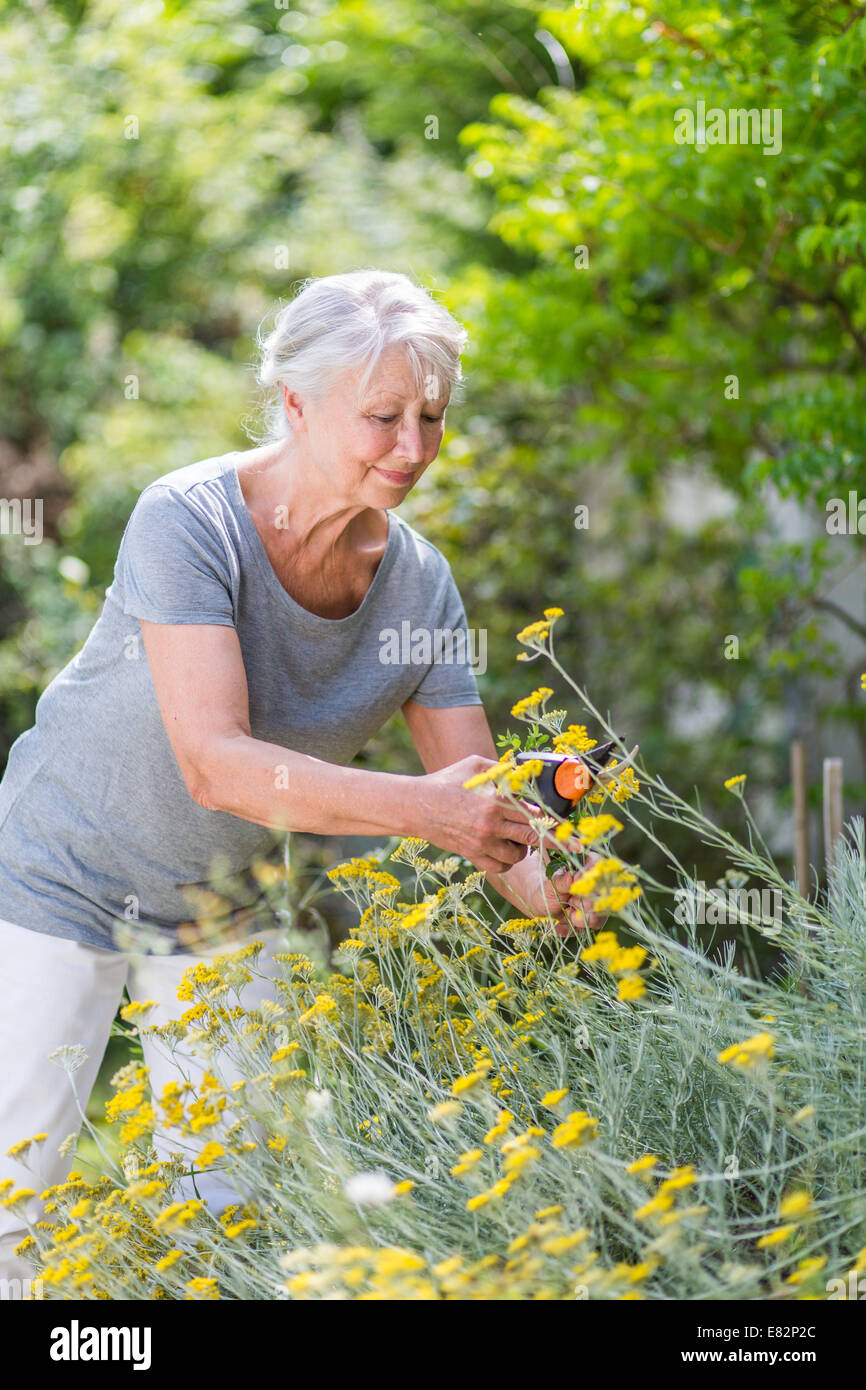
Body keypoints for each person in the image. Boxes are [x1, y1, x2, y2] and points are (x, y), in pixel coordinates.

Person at [0, 269, 601, 1292]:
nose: (411, 449)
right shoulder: (187, 520)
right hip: (60, 876)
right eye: (381, 418)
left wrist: (536, 875)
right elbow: (216, 763)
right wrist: (429, 813)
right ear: (293, 403)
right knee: (19, 1206)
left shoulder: (418, 583)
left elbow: (472, 788)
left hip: (225, 910)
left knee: (233, 1219)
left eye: (430, 417)